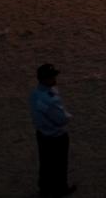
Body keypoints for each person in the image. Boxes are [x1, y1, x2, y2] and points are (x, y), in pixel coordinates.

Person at [30, 63, 74, 197]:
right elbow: (61, 119)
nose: (55, 78)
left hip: (42, 134)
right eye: (52, 76)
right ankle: (61, 189)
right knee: (60, 165)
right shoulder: (50, 99)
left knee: (45, 163)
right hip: (56, 137)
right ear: (45, 79)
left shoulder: (35, 94)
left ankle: (44, 188)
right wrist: (68, 116)